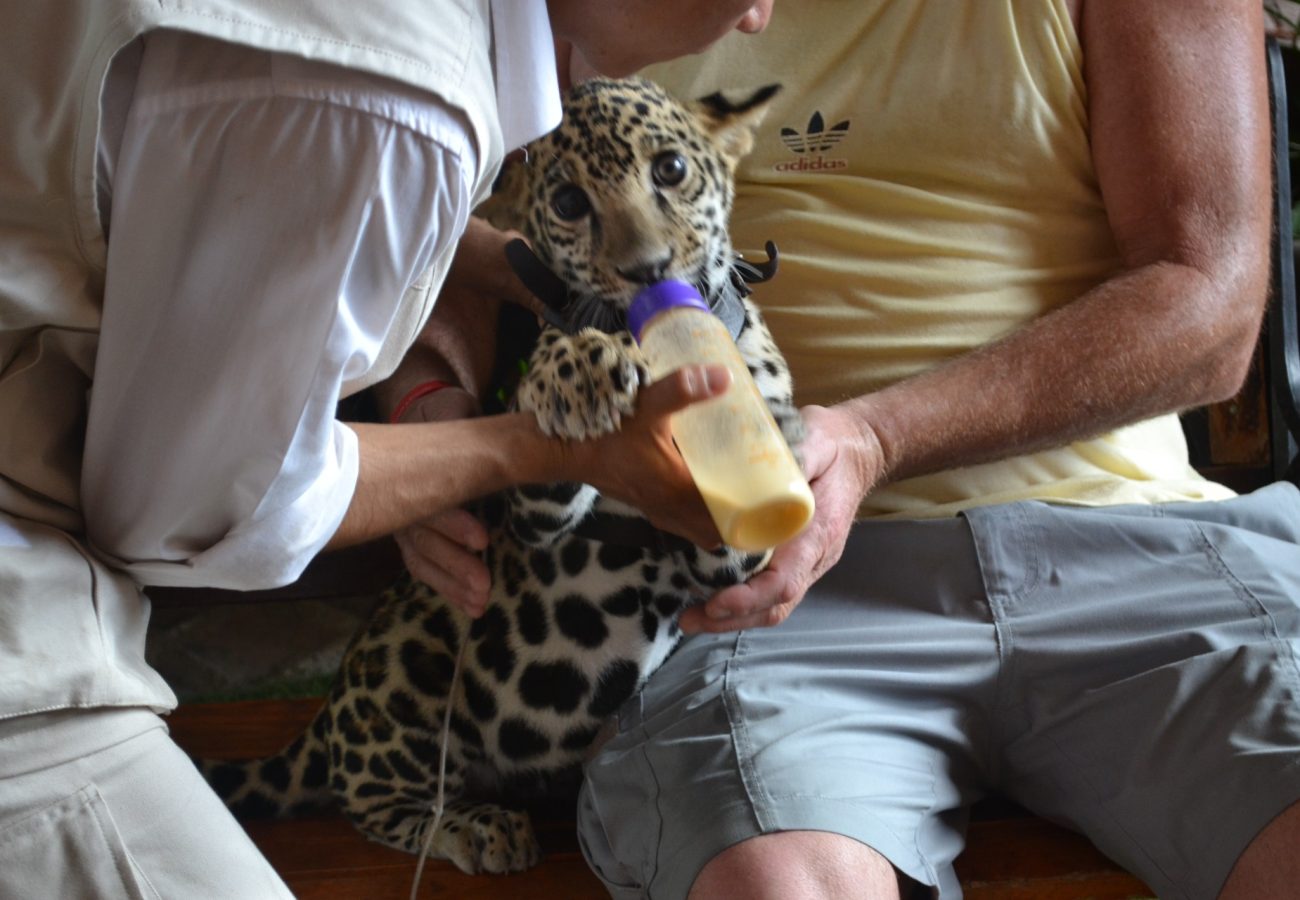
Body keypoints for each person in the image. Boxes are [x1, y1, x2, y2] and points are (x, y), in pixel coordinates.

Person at [401, 1, 1300, 897]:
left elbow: (1209, 304)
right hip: (746, 585)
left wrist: (876, 437)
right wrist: (430, 412)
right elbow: (442, 234)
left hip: (1139, 548)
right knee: (773, 887)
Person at [0, 1, 774, 896]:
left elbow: (194, 177)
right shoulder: (397, 92)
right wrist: (543, 449)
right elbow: (188, 515)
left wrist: (475, 255)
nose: (759, 16)